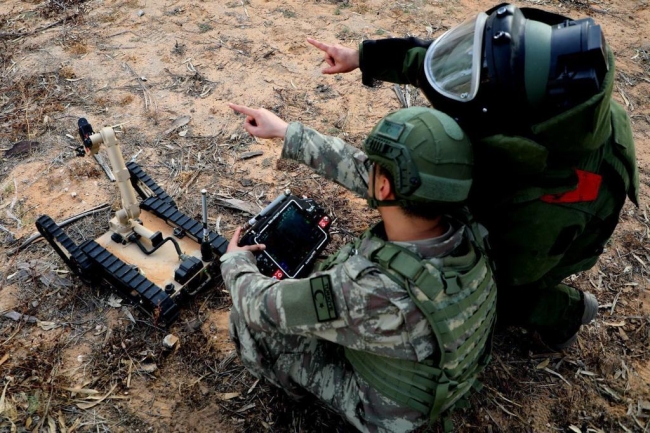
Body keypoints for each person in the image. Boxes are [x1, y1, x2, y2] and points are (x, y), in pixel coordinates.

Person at [307, 2, 638, 349]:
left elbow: (508, 271)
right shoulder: (543, 88)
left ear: (512, 127)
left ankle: (566, 312)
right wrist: (364, 57)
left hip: (552, 245)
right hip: (527, 188)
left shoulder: (554, 200)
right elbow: (451, 67)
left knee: (493, 294)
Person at [221, 103, 497, 432]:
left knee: (247, 322)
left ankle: (294, 394)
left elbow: (258, 305)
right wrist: (286, 132)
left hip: (391, 415)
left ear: (383, 188)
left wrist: (236, 261)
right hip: (437, 376)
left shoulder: (370, 291)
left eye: (374, 168)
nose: (367, 171)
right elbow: (359, 170)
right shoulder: (468, 224)